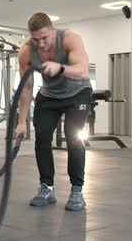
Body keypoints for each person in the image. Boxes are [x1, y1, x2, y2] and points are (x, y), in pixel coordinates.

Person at [15, 12, 92, 211]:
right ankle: (46, 188)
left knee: (73, 137)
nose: (40, 44)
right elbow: (26, 88)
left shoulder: (70, 38)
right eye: (35, 39)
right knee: (41, 138)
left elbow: (83, 71)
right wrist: (21, 121)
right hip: (49, 96)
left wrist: (60, 67)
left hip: (77, 93)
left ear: (52, 29)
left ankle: (77, 191)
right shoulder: (26, 51)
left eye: (44, 38)